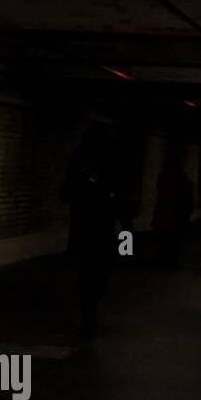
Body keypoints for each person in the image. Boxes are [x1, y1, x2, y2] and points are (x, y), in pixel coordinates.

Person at [60, 125, 128, 339]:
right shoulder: (110, 163)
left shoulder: (79, 161)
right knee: (99, 272)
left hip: (84, 224)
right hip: (100, 225)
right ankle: (90, 310)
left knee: (87, 272)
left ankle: (88, 311)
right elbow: (119, 198)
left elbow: (65, 193)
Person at [151, 152, 194, 267]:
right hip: (177, 212)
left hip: (165, 211)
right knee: (175, 237)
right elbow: (189, 190)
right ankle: (171, 258)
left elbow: (159, 188)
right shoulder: (181, 176)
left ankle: (162, 257)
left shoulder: (163, 176)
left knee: (163, 237)